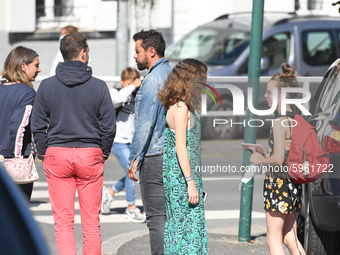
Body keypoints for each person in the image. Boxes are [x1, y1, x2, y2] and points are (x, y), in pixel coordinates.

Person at [31, 33, 115, 255]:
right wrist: (103, 152)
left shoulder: (47, 86)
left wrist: (43, 152)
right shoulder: (99, 87)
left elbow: (37, 125)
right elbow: (109, 126)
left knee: (63, 222)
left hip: (58, 154)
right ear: (83, 52)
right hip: (90, 154)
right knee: (91, 221)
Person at [250, 63, 305, 255]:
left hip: (279, 184)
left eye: (269, 93)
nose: (265, 96)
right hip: (292, 183)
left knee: (273, 238)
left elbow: (279, 159)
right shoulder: (295, 118)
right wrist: (266, 155)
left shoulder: (279, 122)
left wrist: (258, 160)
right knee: (290, 237)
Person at [127, 29, 172, 255]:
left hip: (155, 156)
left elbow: (145, 125)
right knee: (171, 216)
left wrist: (134, 158)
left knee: (156, 219)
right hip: (172, 153)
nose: (134, 56)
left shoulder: (152, 80)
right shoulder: (174, 74)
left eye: (137, 51)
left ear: (151, 52)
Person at [158, 58, 208, 254]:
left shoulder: (179, 105)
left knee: (180, 227)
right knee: (188, 230)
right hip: (181, 178)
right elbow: (180, 147)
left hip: (179, 175)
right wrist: (190, 183)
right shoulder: (181, 108)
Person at [101, 67, 146, 223]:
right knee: (132, 172)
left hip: (132, 141)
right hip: (118, 140)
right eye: (128, 83)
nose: (131, 86)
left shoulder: (135, 94)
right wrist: (133, 85)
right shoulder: (114, 92)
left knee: (134, 173)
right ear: (122, 81)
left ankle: (110, 192)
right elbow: (117, 101)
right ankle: (131, 208)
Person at [0, 46, 41, 202]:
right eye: (36, 65)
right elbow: (19, 127)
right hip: (14, 160)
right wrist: (16, 158)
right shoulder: (27, 93)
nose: (39, 69)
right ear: (24, 66)